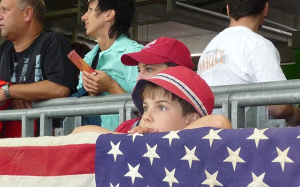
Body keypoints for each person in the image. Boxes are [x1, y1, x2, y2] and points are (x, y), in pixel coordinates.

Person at [197, 0, 300, 126]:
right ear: (265, 9)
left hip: (213, 139)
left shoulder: (209, 49)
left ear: (228, 10)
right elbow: (279, 108)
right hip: (245, 139)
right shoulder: (259, 45)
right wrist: (293, 113)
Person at [72, 66, 232, 135]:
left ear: (191, 120)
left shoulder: (200, 143)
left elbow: (219, 123)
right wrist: (126, 139)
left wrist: (167, 139)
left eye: (161, 107)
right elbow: (78, 132)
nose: (146, 116)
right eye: (145, 107)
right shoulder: (136, 136)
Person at [0, 0, 78, 137]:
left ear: (28, 14)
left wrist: (9, 91)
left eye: (5, 10)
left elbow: (59, 88)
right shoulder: (4, 50)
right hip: (11, 147)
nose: (0, 15)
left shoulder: (53, 42)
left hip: (46, 144)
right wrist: (18, 93)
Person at [76, 0, 143, 131]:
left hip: (122, 142)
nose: (84, 17)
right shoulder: (88, 59)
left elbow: (148, 109)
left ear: (109, 14)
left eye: (90, 9)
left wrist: (111, 86)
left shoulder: (135, 54)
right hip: (92, 140)